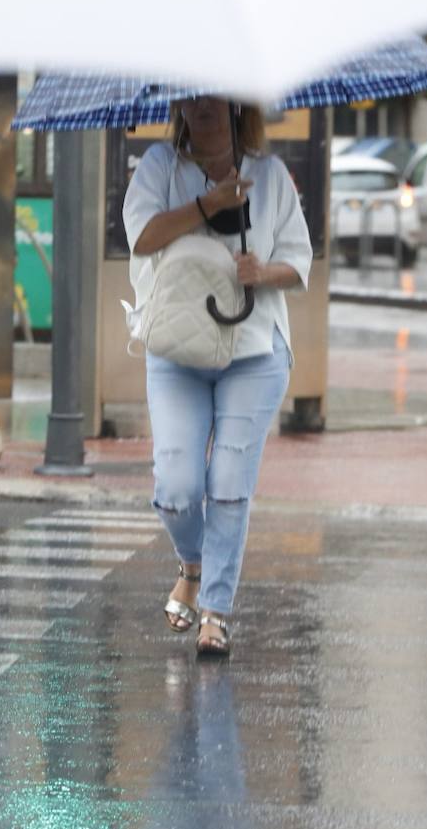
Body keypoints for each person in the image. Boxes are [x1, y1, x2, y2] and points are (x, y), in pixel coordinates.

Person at [123, 96, 311, 657]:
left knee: (229, 483)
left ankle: (216, 612)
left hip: (253, 351)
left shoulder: (270, 176)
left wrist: (264, 270)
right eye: (192, 98)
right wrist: (207, 206)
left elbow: (299, 264)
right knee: (177, 487)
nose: (202, 106)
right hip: (177, 348)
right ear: (180, 107)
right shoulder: (161, 166)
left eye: (215, 98)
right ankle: (194, 563)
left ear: (237, 108)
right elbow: (143, 237)